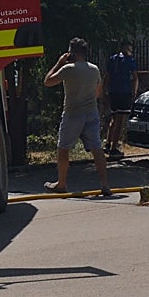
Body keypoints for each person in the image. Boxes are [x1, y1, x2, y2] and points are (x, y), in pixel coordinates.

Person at [43, 37, 110, 196]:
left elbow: (48, 81)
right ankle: (105, 185)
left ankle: (62, 183)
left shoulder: (68, 69)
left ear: (71, 52)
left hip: (73, 113)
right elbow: (98, 91)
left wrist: (59, 63)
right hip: (91, 113)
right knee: (96, 148)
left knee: (63, 148)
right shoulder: (94, 69)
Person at [104, 41, 139, 160]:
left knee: (114, 118)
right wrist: (134, 91)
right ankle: (114, 148)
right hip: (124, 92)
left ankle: (108, 143)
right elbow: (135, 77)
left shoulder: (113, 59)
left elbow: (107, 76)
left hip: (113, 91)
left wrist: (105, 90)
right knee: (120, 120)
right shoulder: (130, 60)